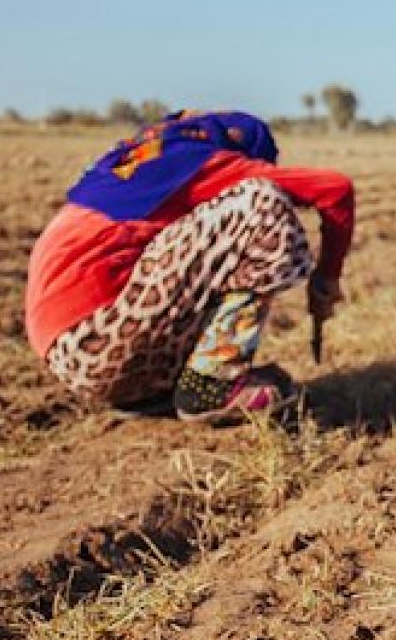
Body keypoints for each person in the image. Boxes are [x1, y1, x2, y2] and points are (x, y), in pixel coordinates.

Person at [25, 110, 354, 423]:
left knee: (212, 255)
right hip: (99, 340)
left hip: (74, 356)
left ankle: (154, 389)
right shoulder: (206, 162)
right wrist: (326, 278)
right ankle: (211, 384)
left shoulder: (141, 160)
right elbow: (335, 189)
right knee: (262, 202)